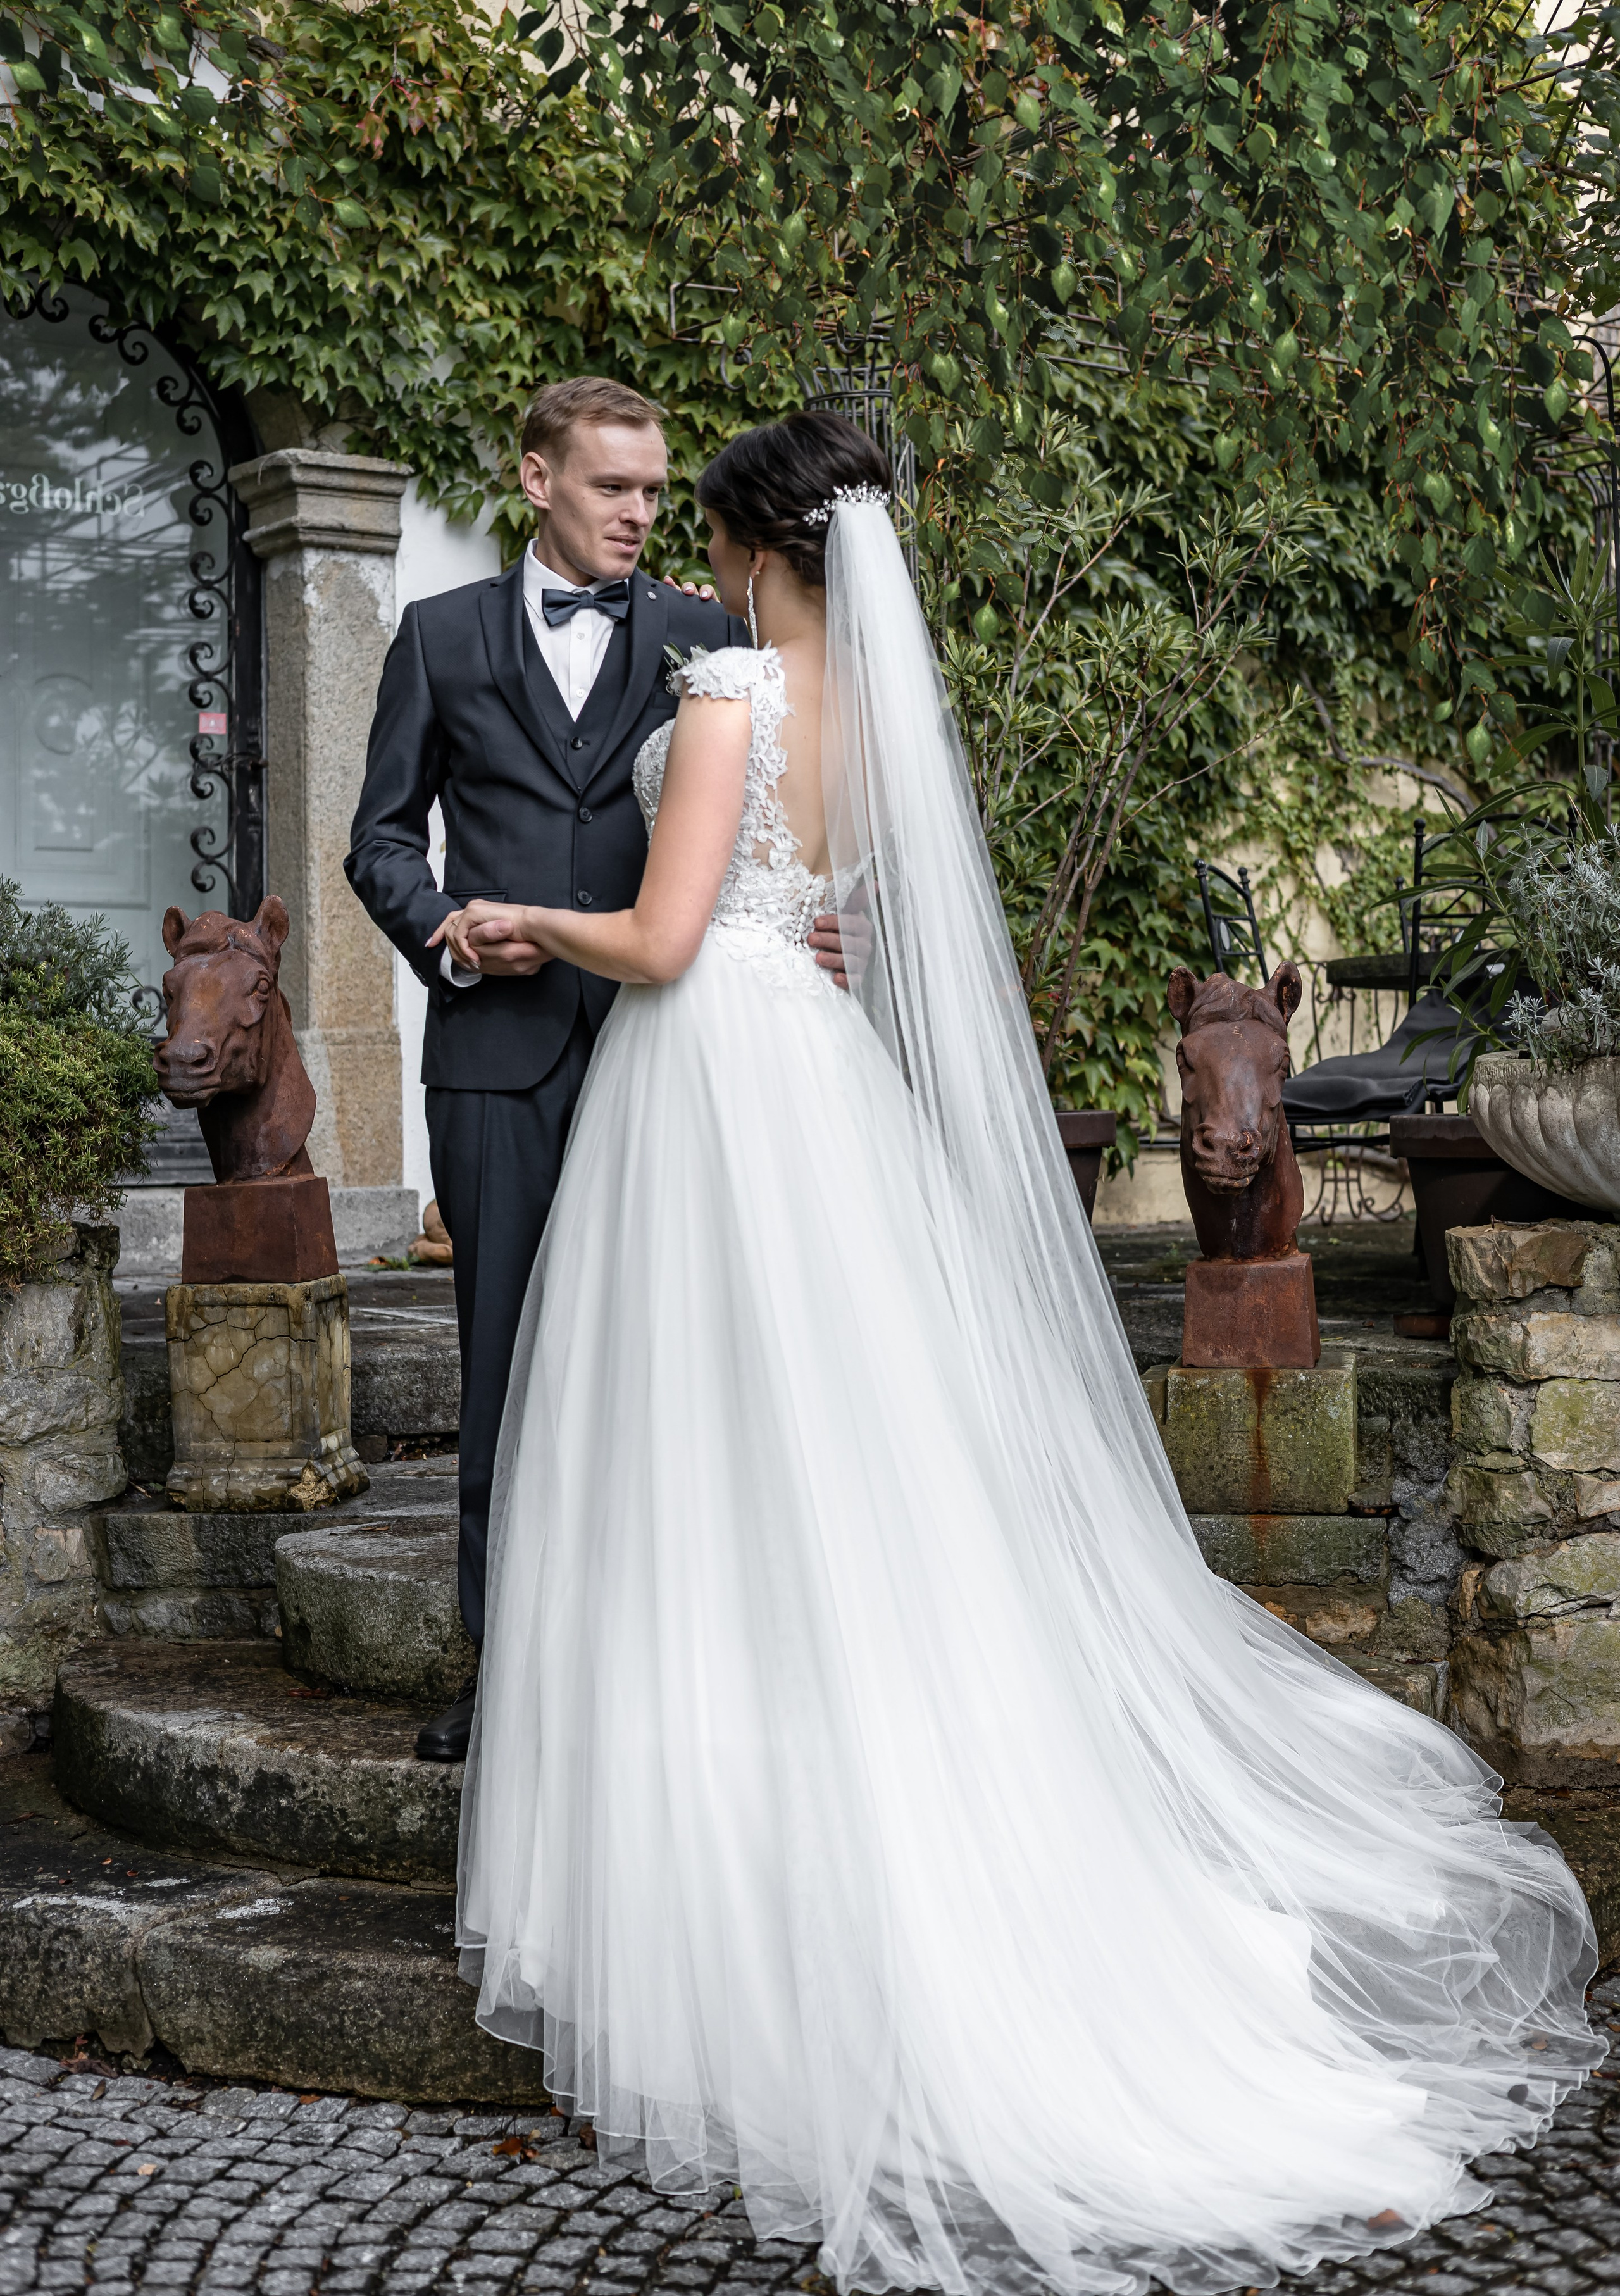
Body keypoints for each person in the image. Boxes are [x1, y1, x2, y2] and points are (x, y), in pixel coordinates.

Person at [444, 410, 1601, 2296]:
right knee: (849, 1459)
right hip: (812, 1076)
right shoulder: (875, 713)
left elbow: (662, 938)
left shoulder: (732, 686)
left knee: (700, 1457)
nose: (692, 554)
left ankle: (722, 1850)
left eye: (706, 528)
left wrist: (519, 919)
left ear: (754, 546)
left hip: (709, 1078)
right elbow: (824, 910)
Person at [346, 378, 752, 1761]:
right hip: (494, 1061)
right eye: (611, 487)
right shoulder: (438, 635)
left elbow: (765, 818)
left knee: (664, 1356)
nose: (640, 513)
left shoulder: (708, 637)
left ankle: (658, 1670)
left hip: (668, 1049)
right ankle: (507, 1674)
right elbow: (381, 837)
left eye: (654, 491)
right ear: (536, 479)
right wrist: (447, 936)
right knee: (507, 1367)